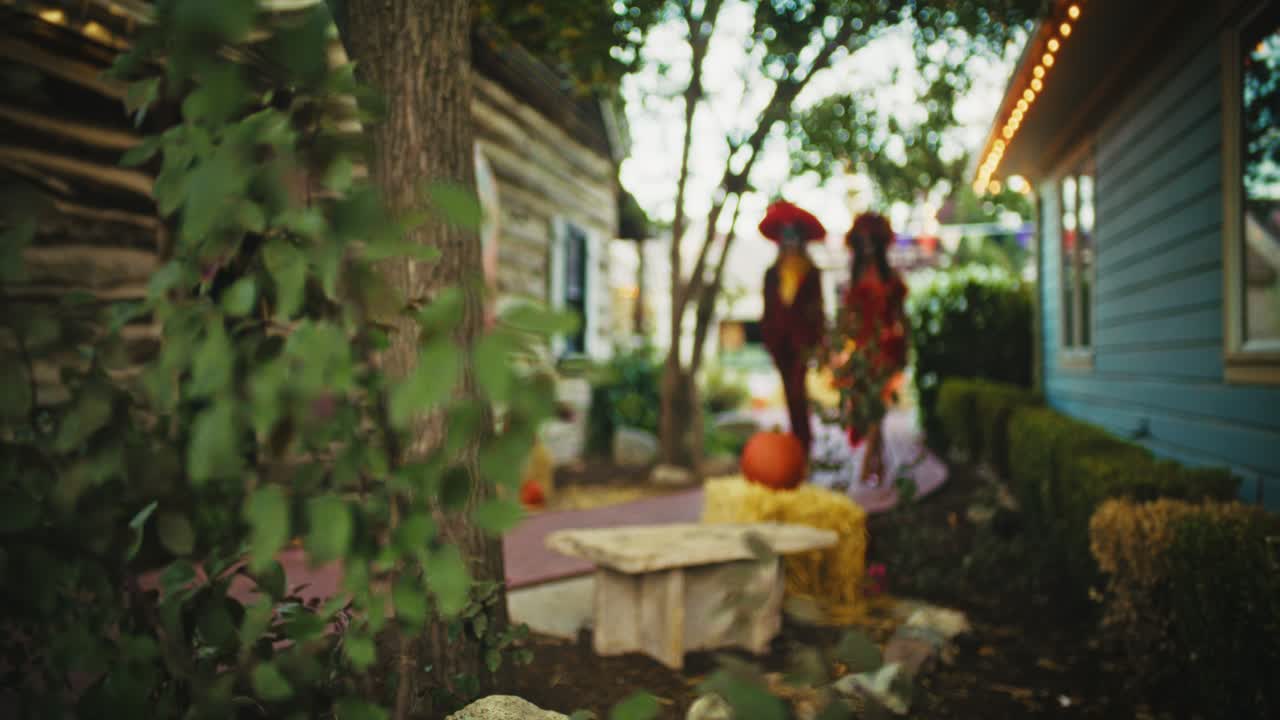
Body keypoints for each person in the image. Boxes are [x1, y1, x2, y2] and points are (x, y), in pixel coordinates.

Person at [839, 212, 909, 486]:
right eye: (862, 240)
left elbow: (901, 316)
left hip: (886, 348)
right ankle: (880, 464)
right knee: (865, 409)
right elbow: (849, 318)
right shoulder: (854, 278)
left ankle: (866, 467)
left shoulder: (890, 278)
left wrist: (905, 345)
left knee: (878, 407)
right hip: (862, 351)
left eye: (871, 240)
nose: (867, 245)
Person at [759, 200, 827, 455]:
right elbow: (767, 309)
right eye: (785, 236)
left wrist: (818, 341)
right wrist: (769, 338)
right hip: (780, 342)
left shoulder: (811, 273)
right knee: (789, 391)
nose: (790, 242)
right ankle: (798, 441)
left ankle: (804, 441)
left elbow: (817, 309)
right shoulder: (772, 273)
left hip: (803, 342)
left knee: (799, 390)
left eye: (793, 235)